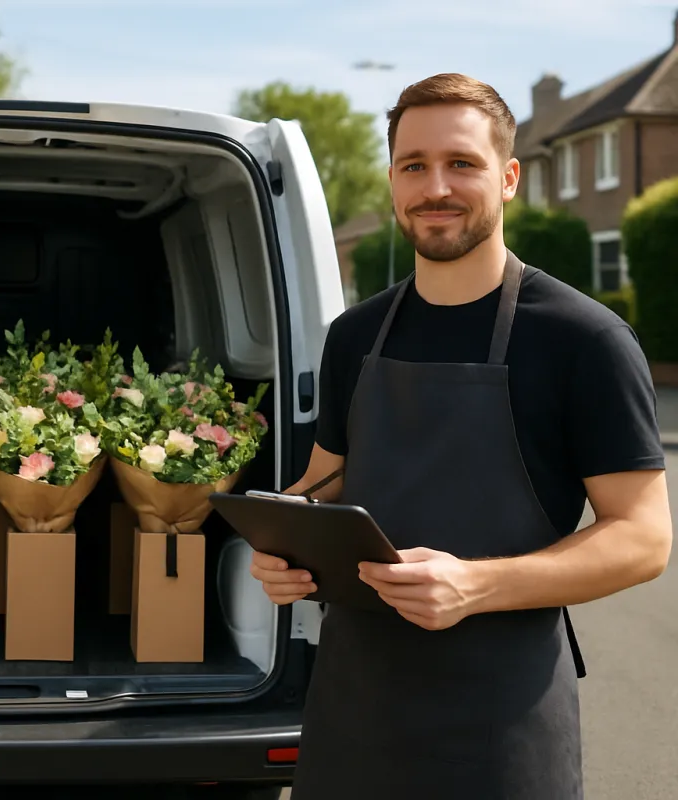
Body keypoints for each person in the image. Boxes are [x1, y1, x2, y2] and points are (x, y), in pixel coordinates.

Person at [251, 73, 673, 799]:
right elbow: (326, 485)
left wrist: (476, 584)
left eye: (462, 163)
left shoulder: (585, 340)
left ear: (508, 178)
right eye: (414, 165)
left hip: (502, 727)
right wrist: (285, 542)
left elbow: (643, 539)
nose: (435, 187)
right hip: (354, 715)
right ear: (392, 181)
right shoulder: (355, 336)